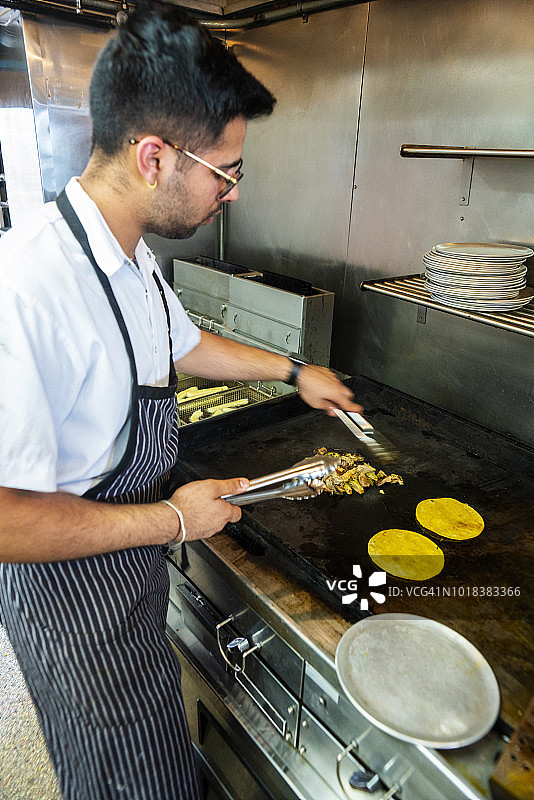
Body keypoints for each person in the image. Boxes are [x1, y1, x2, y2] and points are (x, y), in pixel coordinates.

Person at [0, 3, 362, 799]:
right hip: (73, 609)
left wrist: (294, 370)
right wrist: (174, 519)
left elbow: (187, 346)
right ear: (156, 157)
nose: (230, 193)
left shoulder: (132, 263)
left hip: (127, 583)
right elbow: (6, 519)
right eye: (226, 171)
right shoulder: (28, 284)